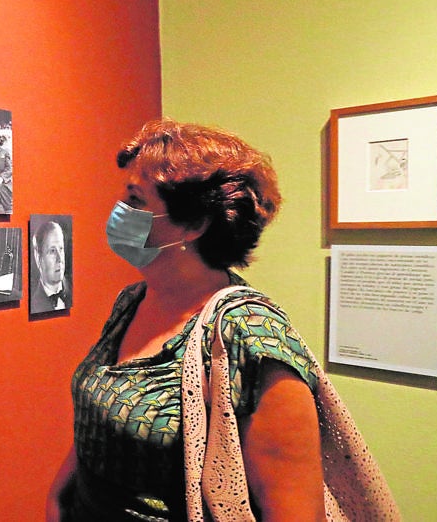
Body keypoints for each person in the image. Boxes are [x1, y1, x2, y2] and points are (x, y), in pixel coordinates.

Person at [48, 119, 324, 521]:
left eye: (136, 200)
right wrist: (58, 497)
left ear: (194, 224)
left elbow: (296, 512)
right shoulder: (133, 300)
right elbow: (103, 417)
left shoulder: (252, 337)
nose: (118, 212)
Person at [30, 220, 71, 313]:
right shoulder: (34, 304)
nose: (60, 259)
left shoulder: (74, 290)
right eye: (52, 251)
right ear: (38, 258)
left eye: (61, 249)